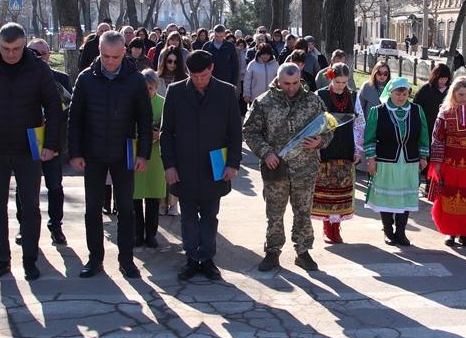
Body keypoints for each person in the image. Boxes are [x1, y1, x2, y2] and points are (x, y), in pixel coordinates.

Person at [0, 23, 64, 282]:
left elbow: (54, 107)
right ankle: (2, 260)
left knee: (30, 206)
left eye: (17, 48)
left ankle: (30, 260)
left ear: (24, 44)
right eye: (6, 48)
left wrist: (50, 145)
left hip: (28, 150)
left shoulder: (38, 69)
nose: (11, 54)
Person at [68, 31, 153, 279]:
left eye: (115, 57)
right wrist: (75, 152)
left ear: (123, 53)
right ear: (99, 52)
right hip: (93, 153)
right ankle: (95, 259)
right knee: (93, 208)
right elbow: (75, 120)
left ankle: (127, 260)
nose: (110, 61)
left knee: (126, 209)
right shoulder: (86, 79)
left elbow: (144, 121)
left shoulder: (135, 80)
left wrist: (143, 154)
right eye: (105, 56)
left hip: (124, 153)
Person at [161, 50, 243, 281]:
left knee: (209, 214)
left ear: (212, 69)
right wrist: (169, 165)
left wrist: (233, 163)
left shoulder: (226, 92)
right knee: (187, 216)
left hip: (215, 165)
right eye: (195, 76)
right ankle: (191, 258)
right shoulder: (175, 92)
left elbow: (235, 133)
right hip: (184, 166)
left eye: (204, 75)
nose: (200, 80)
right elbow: (167, 133)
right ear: (187, 72)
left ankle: (206, 258)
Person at [244, 63, 331, 271]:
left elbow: (329, 128)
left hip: (305, 168)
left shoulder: (313, 101)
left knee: (303, 211)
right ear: (278, 80)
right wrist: (266, 153)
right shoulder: (264, 102)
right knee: (274, 212)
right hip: (276, 167)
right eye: (286, 84)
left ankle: (303, 252)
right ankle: (272, 251)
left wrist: (320, 141)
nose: (291, 88)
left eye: (294, 83)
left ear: (299, 79)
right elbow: (250, 131)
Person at [14, 38, 72, 247]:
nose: (38, 56)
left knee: (54, 186)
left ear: (49, 55)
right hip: (25, 141)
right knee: (26, 187)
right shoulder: (18, 75)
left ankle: (56, 226)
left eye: (43, 53)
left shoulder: (60, 78)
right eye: (33, 52)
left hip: (51, 141)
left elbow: (68, 109)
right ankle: (24, 226)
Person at [364, 77, 429, 246]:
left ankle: (401, 232)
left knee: (406, 197)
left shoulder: (416, 110)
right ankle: (388, 231)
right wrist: (371, 159)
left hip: (409, 161)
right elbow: (369, 138)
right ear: (390, 93)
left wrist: (423, 157)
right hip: (386, 161)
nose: (401, 97)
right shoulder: (378, 111)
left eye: (404, 93)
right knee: (387, 198)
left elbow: (423, 134)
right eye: (397, 93)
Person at [427, 77, 466, 247]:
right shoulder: (445, 112)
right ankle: (450, 232)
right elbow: (437, 138)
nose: (464, 98)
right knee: (448, 196)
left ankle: (465, 232)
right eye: (460, 94)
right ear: (453, 94)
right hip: (450, 163)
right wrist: (437, 162)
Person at [312, 64, 364, 244]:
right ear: (330, 78)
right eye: (337, 81)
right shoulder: (321, 95)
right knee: (327, 190)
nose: (341, 85)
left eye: (344, 82)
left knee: (341, 191)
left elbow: (359, 124)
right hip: (327, 148)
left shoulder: (353, 96)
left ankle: (336, 227)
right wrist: (316, 147)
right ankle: (327, 227)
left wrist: (358, 148)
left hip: (346, 147)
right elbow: (314, 123)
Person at [133, 70, 166, 249]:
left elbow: (170, 130)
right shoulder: (132, 103)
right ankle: (138, 234)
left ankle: (151, 234)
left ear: (156, 87)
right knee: (135, 198)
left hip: (156, 157)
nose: (148, 92)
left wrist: (158, 135)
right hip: (136, 153)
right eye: (144, 88)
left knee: (153, 198)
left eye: (151, 88)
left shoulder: (163, 104)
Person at [413, 64, 452, 132]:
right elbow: (416, 107)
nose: (443, 81)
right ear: (435, 77)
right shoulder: (425, 90)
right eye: (441, 78)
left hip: (445, 127)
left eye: (445, 79)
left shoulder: (451, 91)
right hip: (427, 127)